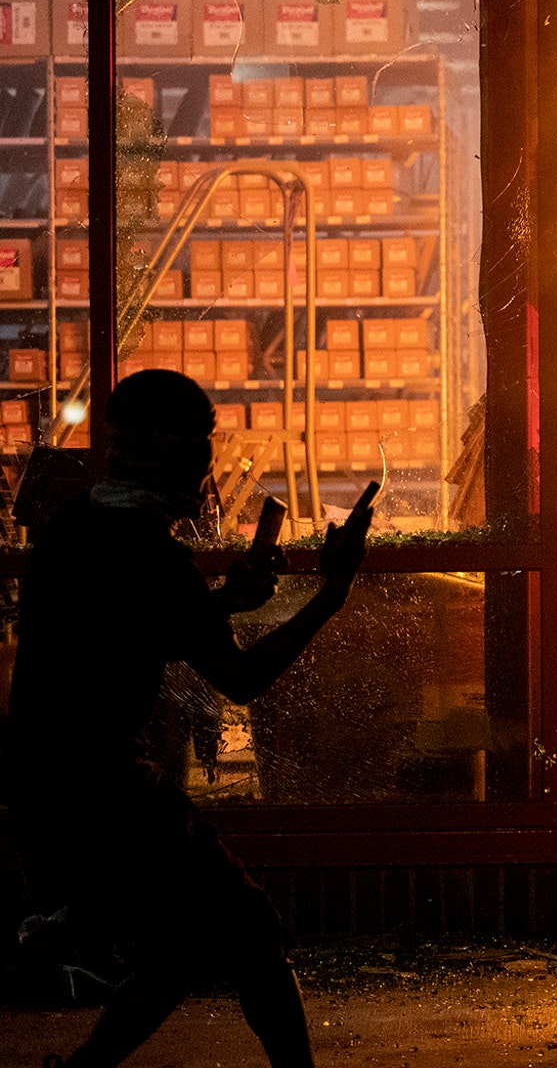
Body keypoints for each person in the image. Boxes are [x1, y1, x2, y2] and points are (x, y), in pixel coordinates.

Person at [2, 370, 373, 1068]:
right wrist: (332, 595)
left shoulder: (73, 529)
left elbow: (120, 630)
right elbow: (239, 680)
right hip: (105, 792)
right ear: (179, 458)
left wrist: (222, 603)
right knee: (252, 932)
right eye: (201, 450)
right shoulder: (154, 556)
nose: (207, 469)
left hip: (40, 788)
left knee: (177, 947)